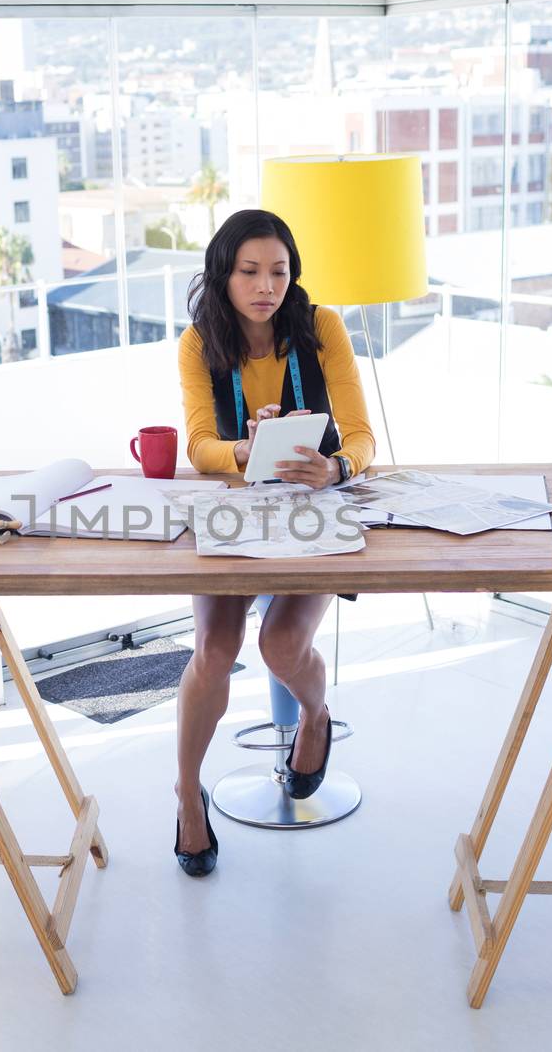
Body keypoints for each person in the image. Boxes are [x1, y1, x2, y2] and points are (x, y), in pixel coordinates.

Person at [172, 208, 376, 876]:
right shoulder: (198, 343)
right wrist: (243, 447)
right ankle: (186, 794)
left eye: (279, 272)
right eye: (250, 271)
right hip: (235, 509)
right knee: (215, 648)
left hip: (310, 508)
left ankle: (315, 718)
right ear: (222, 276)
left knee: (282, 643)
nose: (266, 286)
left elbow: (363, 436)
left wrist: (336, 465)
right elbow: (199, 443)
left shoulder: (321, 329)